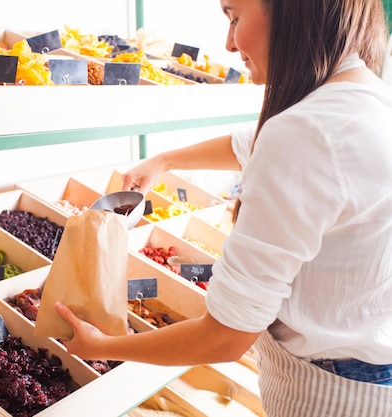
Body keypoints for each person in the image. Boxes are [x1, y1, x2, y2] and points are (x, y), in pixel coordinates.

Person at [53, 0, 392, 415]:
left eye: (234, 18)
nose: (229, 43)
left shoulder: (305, 131)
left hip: (332, 397)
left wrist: (102, 346)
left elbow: (225, 338)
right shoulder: (366, 97)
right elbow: (257, 141)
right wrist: (166, 160)